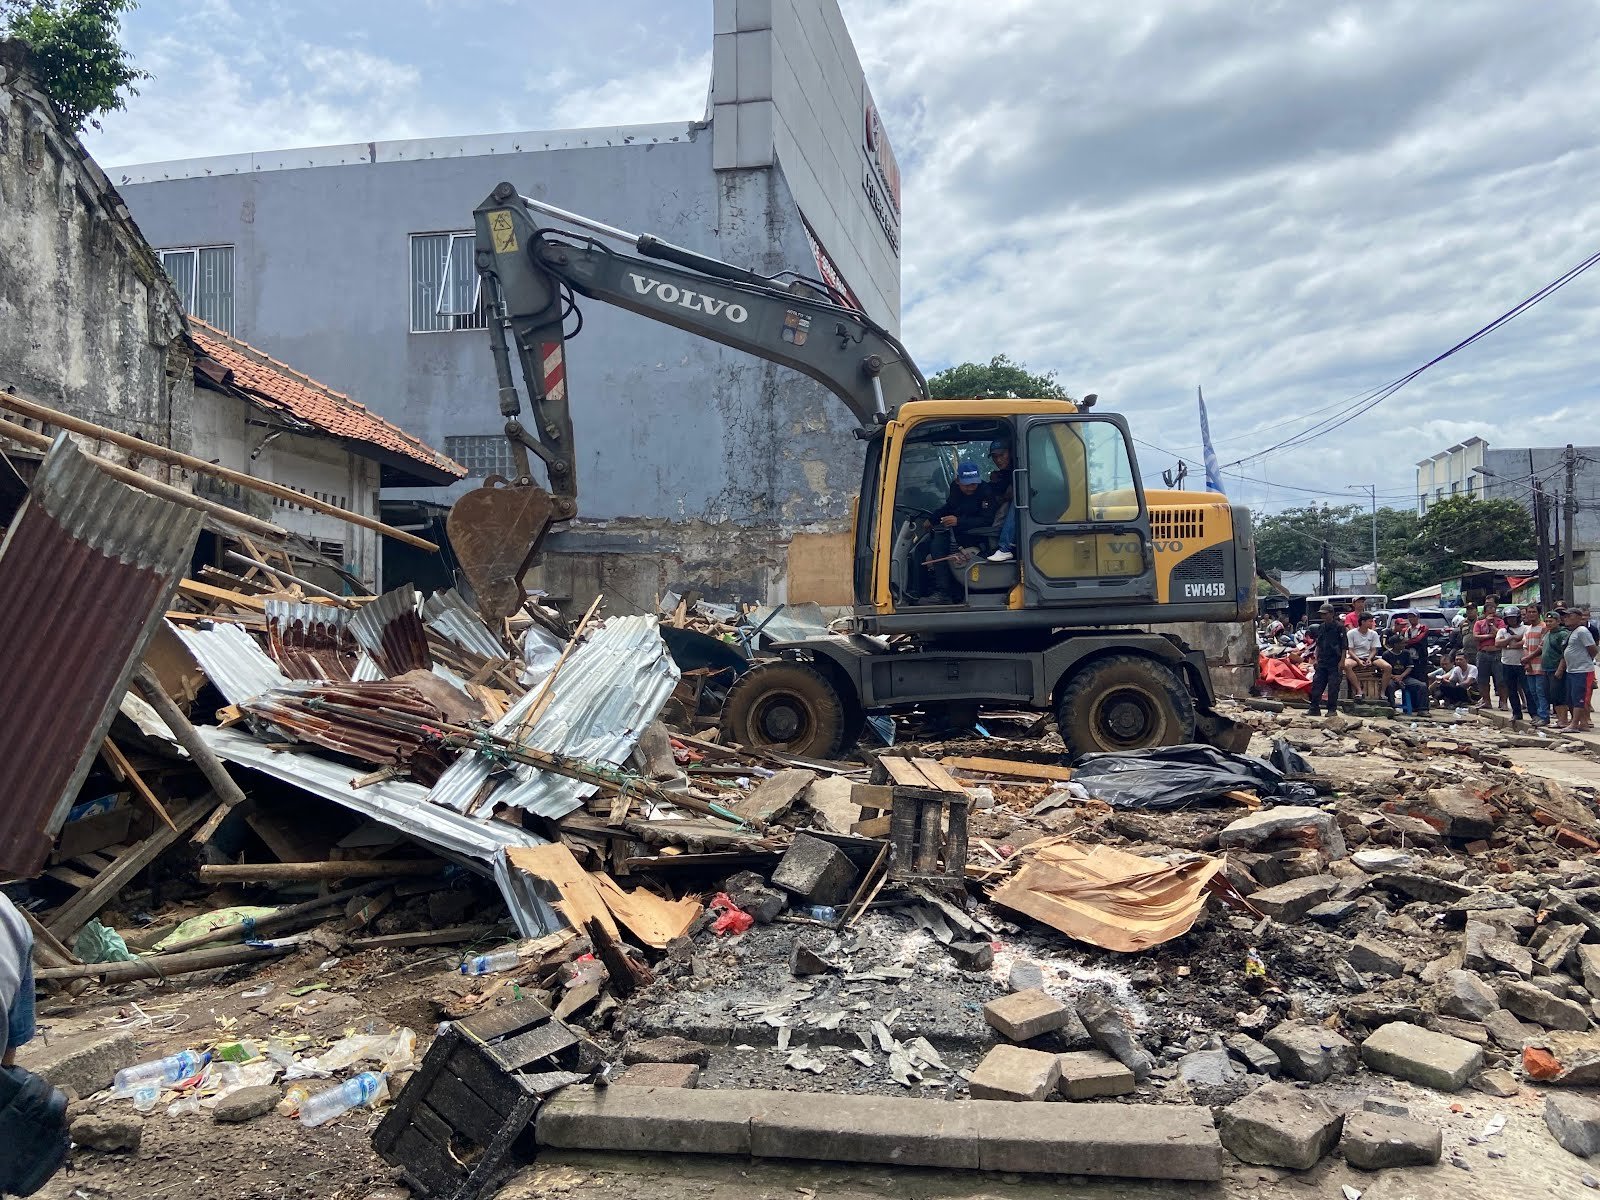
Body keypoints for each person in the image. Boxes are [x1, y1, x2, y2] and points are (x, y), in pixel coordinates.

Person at [1557, 608, 1597, 732]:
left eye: (1570, 616)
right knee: (1572, 698)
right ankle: (1583, 723)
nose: (1566, 618)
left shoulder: (1582, 631)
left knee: (1580, 698)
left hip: (1582, 670)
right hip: (1572, 670)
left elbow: (1593, 650)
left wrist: (1585, 660)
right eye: (1565, 616)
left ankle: (1574, 724)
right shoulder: (1572, 632)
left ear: (1579, 617)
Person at [1306, 603, 1346, 717]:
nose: (1323, 616)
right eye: (1322, 614)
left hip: (1335, 661)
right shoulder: (1321, 627)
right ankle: (1314, 708)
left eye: (1325, 614)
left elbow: (1344, 646)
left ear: (1332, 614)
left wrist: (1342, 661)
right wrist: (1316, 659)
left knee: (1333, 687)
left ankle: (1332, 710)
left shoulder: (1339, 627)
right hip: (1323, 660)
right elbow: (1318, 644)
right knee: (1317, 685)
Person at [1344, 610, 1392, 699]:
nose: (1372, 623)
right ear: (1363, 622)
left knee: (1388, 667)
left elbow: (1374, 649)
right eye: (1370, 621)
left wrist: (1369, 659)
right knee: (1346, 665)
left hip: (1370, 656)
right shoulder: (1351, 633)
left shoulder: (1373, 634)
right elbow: (1350, 650)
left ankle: (1382, 692)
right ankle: (1359, 690)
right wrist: (1358, 660)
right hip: (1355, 657)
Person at [986, 440, 1019, 563]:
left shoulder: (1019, 469)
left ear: (1010, 453)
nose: (998, 460)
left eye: (1002, 455)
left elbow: (1012, 494)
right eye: (995, 456)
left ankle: (1005, 548)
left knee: (1018, 500)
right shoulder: (1002, 474)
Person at [1495, 606, 1528, 722]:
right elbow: (1497, 643)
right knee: (1511, 690)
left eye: (1513, 618)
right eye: (1509, 618)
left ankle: (1533, 712)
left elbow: (1525, 642)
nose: (1511, 620)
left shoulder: (1525, 628)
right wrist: (1511, 638)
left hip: (1521, 663)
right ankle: (1516, 713)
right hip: (1507, 663)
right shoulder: (1502, 631)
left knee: (1527, 689)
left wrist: (1510, 645)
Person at [1473, 599, 1505, 710]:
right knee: (1482, 679)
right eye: (1489, 610)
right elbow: (1476, 636)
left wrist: (1491, 624)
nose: (1492, 612)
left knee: (1501, 680)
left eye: (1494, 610)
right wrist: (1489, 636)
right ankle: (1487, 701)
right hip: (1483, 653)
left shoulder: (1500, 622)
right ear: (1485, 612)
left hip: (1497, 653)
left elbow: (1500, 634)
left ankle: (1503, 702)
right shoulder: (1479, 623)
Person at [1520, 604, 1549, 726]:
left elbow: (1542, 647)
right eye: (1529, 612)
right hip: (1530, 666)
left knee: (1541, 692)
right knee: (1533, 692)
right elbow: (1525, 646)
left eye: (1534, 612)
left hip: (1541, 665)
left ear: (1539, 613)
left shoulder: (1544, 627)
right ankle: (1538, 715)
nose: (1531, 614)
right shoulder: (1528, 629)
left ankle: (1544, 716)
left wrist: (1527, 658)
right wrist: (1527, 662)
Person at [1386, 633, 1429, 713]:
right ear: (1395, 645)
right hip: (1391, 678)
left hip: (1405, 677)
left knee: (1422, 685)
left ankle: (1423, 709)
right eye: (1402, 643)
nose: (1405, 645)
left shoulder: (1406, 653)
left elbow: (1410, 667)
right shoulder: (1387, 654)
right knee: (1389, 686)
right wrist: (1394, 677)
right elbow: (1384, 670)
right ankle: (1392, 708)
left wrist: (1401, 676)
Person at [1544, 611, 1571, 728]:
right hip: (1547, 668)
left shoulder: (1562, 634)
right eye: (1546, 621)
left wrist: (1560, 669)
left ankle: (1563, 720)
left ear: (1558, 621)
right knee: (1553, 695)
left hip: (1556, 668)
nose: (1548, 623)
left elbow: (1565, 653)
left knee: (1559, 695)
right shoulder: (1548, 633)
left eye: (1551, 621)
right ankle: (1560, 719)